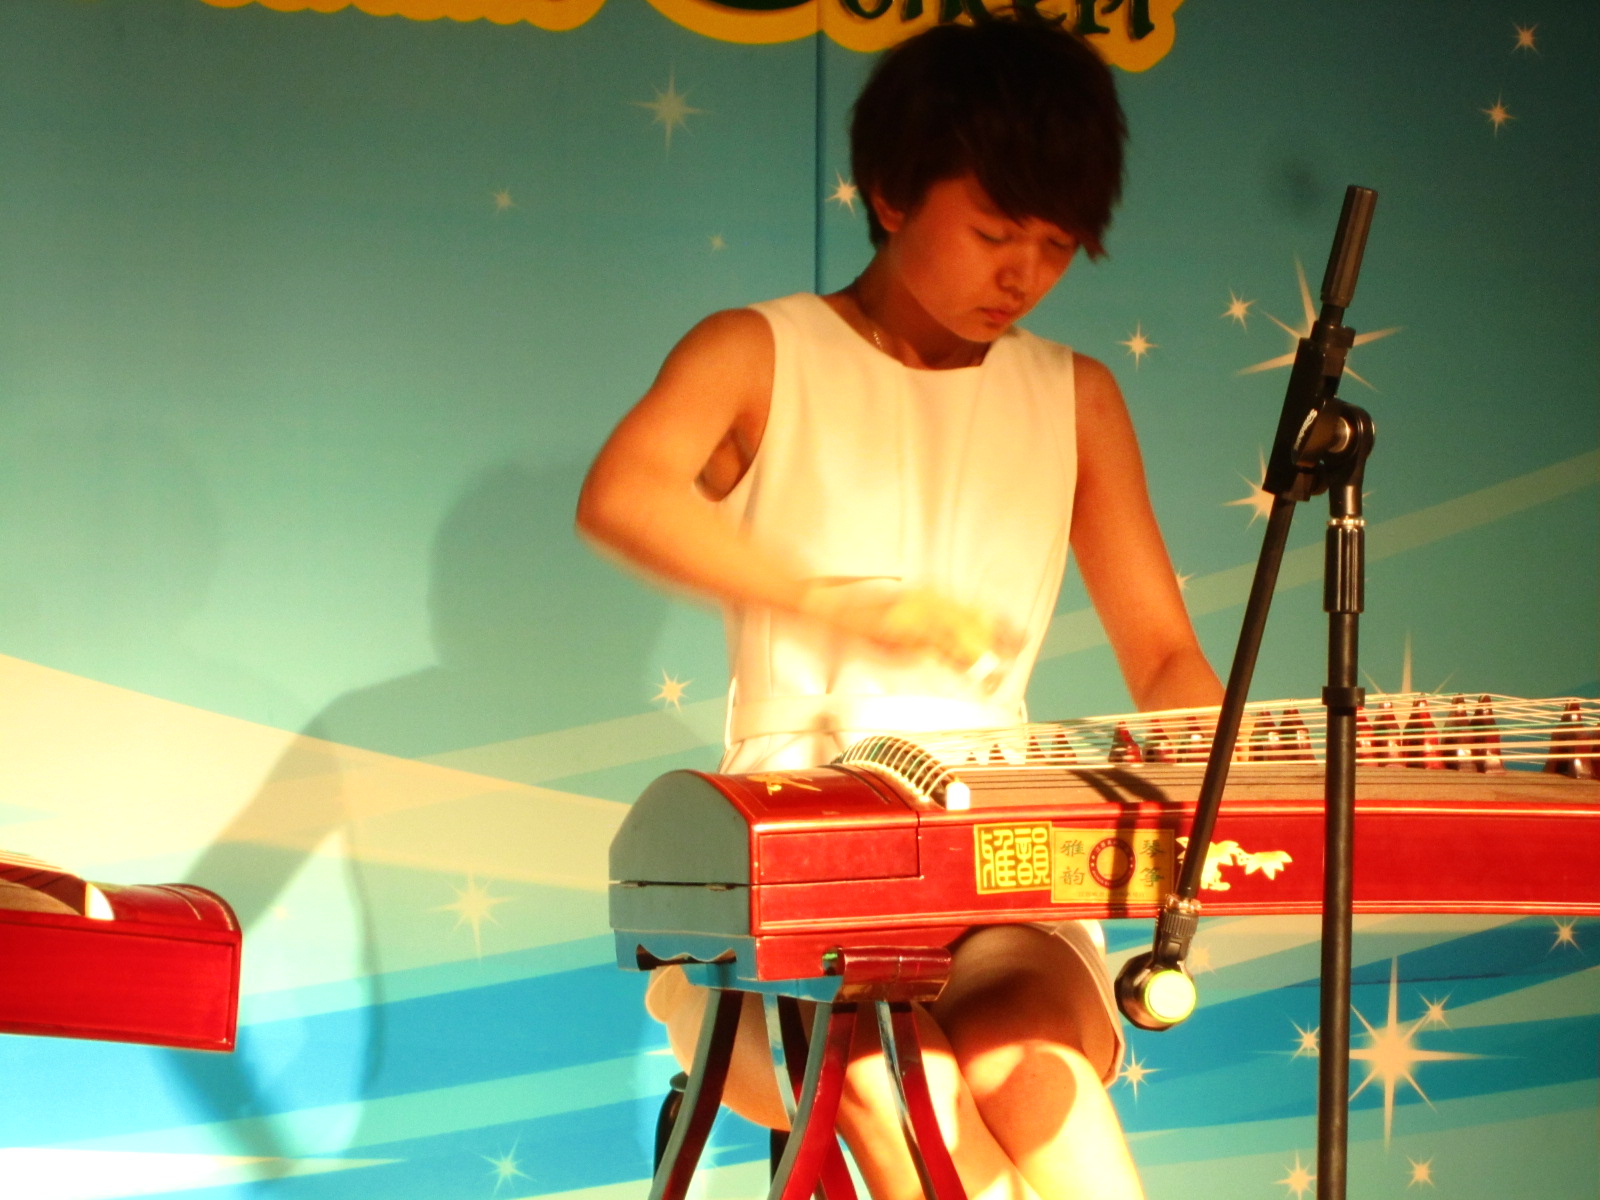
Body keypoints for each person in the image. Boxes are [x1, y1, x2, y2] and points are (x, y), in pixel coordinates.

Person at [578, 14, 1222, 1200]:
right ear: (888, 193)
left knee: (1027, 1063)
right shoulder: (759, 351)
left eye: (1055, 245)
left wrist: (1239, 767)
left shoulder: (1073, 397)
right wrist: (835, 604)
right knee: (881, 1073)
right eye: (992, 233)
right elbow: (623, 493)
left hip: (991, 846)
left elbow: (1164, 658)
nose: (1021, 275)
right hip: (785, 860)